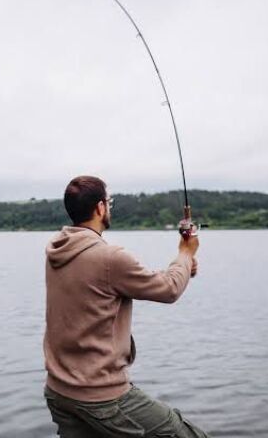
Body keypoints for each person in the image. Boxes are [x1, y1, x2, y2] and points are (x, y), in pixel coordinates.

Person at [43, 175, 211, 437]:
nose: (109, 207)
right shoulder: (110, 257)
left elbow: (111, 282)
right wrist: (186, 253)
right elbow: (168, 290)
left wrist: (183, 267)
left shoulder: (57, 251)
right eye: (109, 202)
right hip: (101, 396)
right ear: (100, 207)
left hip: (59, 392)